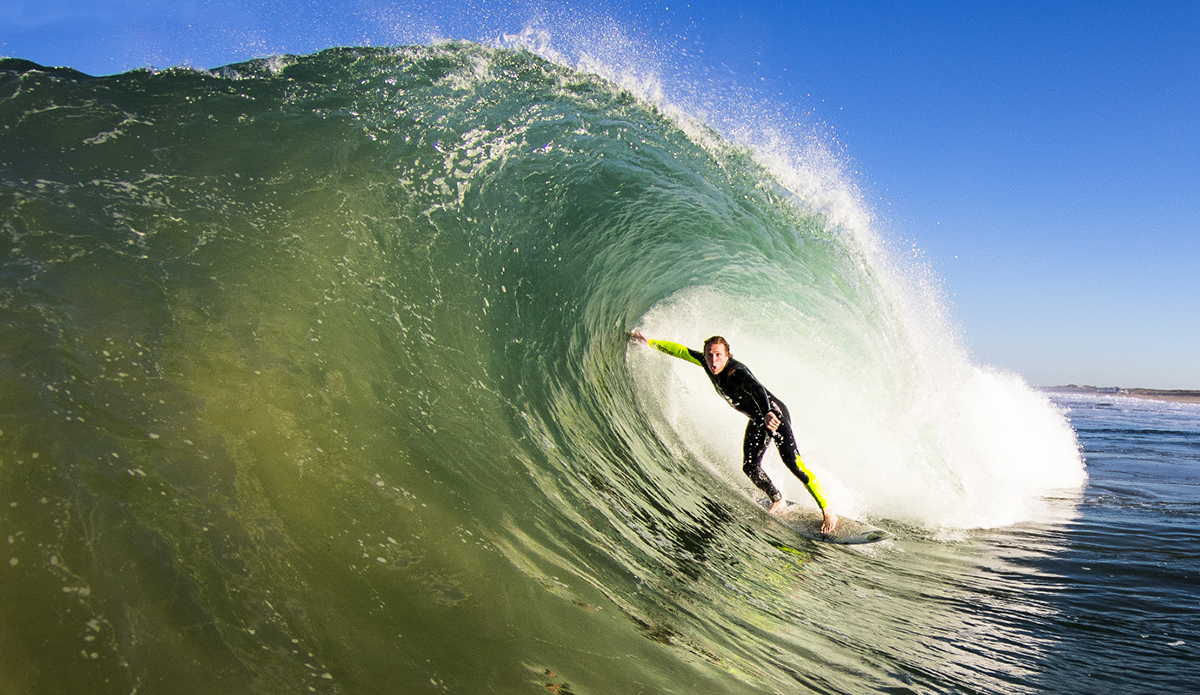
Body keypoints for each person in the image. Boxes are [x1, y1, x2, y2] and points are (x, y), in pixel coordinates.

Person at [631, 331, 839, 534]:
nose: (713, 360)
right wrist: (650, 342)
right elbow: (682, 351)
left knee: (793, 463)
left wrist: (767, 412)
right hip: (759, 419)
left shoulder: (736, 372)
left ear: (727, 355)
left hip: (774, 415)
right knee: (750, 466)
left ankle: (829, 512)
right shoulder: (706, 362)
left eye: (718, 355)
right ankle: (778, 500)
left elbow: (757, 388)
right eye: (709, 355)